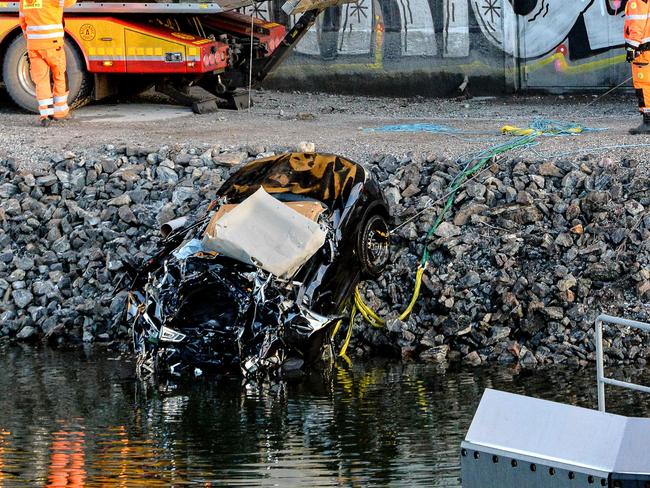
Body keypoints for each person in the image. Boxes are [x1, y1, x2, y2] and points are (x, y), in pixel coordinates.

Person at [19, 0, 77, 127]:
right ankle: (60, 112)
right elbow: (70, 2)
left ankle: (45, 115)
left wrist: (30, 40)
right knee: (59, 75)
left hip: (34, 46)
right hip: (53, 44)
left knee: (41, 81)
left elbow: (22, 22)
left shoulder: (24, 1)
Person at [625, 0, 650, 134]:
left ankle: (648, 122)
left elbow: (637, 24)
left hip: (643, 51)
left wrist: (632, 47)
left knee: (643, 85)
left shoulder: (636, 1)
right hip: (647, 49)